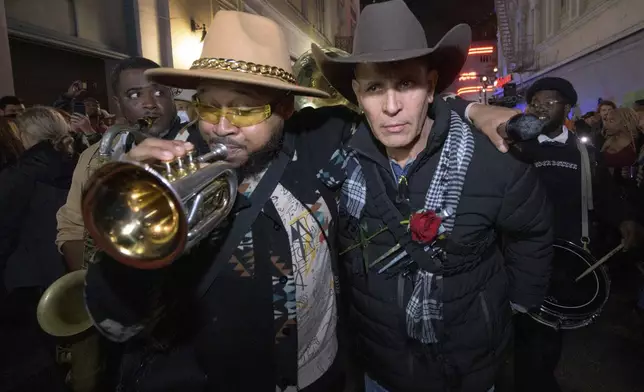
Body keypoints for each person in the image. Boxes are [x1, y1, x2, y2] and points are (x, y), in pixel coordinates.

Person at [80, 9, 528, 392]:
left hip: (316, 378)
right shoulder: (168, 167)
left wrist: (471, 109)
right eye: (208, 106)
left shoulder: (317, 140)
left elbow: (398, 106)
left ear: (285, 110)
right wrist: (128, 209)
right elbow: (116, 320)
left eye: (245, 109)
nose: (221, 126)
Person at [312, 1, 553, 391]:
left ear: (431, 86)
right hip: (380, 367)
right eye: (375, 88)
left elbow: (532, 231)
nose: (391, 107)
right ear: (357, 95)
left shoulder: (492, 160)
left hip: (469, 366)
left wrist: (517, 304)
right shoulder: (341, 158)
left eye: (406, 83)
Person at [517, 77, 644, 392]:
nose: (542, 108)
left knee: (549, 334)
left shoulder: (584, 152)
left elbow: (604, 194)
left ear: (567, 108)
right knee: (525, 331)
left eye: (550, 102)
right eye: (536, 102)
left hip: (569, 257)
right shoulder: (519, 150)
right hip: (524, 254)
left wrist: (625, 220)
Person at [55, 56, 208, 271]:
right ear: (118, 103)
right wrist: (88, 278)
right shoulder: (94, 156)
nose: (149, 104)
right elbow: (72, 227)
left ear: (171, 95)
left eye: (158, 92)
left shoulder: (202, 143)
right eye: (134, 95)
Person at [0, 106, 77, 392]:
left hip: (29, 278)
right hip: (69, 266)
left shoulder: (17, 174)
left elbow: (3, 230)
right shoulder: (77, 162)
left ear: (26, 133)